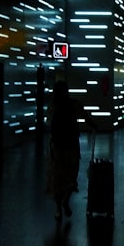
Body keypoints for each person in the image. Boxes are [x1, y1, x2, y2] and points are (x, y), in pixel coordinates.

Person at [46, 80, 89, 220]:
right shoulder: (73, 104)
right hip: (71, 144)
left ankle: (59, 207)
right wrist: (94, 125)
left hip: (57, 146)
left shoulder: (53, 106)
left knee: (58, 178)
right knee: (71, 176)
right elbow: (84, 115)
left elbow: (48, 123)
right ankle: (65, 202)